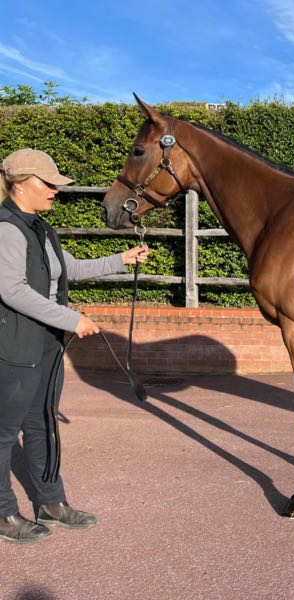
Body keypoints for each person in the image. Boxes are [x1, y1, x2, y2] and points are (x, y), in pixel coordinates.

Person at [0, 148, 149, 544]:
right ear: (20, 184)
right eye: (48, 183)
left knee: (42, 422)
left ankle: (51, 503)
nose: (55, 190)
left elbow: (71, 270)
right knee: (4, 432)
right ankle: (2, 513)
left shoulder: (40, 228)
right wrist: (71, 319)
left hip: (47, 342)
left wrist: (122, 259)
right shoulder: (7, 229)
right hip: (14, 345)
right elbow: (12, 290)